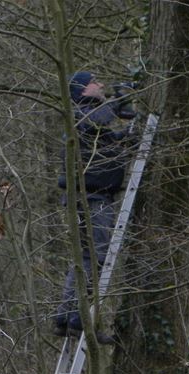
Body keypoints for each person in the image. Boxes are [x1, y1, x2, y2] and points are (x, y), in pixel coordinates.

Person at [52, 71, 135, 344]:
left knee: (85, 259)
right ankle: (78, 320)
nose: (101, 85)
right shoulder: (80, 115)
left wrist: (128, 138)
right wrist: (119, 102)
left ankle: (66, 318)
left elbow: (106, 144)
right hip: (91, 199)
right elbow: (95, 120)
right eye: (95, 82)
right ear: (83, 90)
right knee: (96, 257)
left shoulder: (90, 126)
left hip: (91, 197)